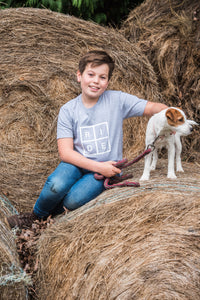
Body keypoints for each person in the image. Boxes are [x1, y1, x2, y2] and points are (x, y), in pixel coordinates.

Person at [6, 50, 167, 229]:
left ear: (108, 81)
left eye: (102, 77)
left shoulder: (117, 100)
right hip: (78, 163)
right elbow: (65, 152)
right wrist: (100, 167)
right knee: (55, 185)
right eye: (90, 74)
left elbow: (152, 107)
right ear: (79, 76)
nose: (96, 81)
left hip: (105, 170)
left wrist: (171, 117)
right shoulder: (68, 110)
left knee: (75, 200)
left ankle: (51, 217)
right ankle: (35, 216)